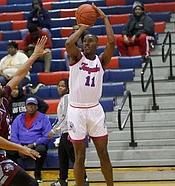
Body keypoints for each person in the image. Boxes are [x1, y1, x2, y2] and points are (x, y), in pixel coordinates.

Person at [0, 36, 47, 186]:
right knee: (31, 184)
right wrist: (22, 148)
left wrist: (34, 55)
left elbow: (19, 74)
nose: (1, 83)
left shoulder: (3, 98)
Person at [65, 4, 115, 186]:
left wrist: (104, 18)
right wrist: (84, 26)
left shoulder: (102, 61)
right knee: (80, 156)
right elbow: (69, 43)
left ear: (97, 44)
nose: (86, 43)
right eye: (84, 41)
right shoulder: (76, 58)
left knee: (103, 153)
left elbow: (112, 42)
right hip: (76, 109)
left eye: (90, 41)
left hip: (94, 109)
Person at [48, 78, 88, 186]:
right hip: (64, 132)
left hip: (69, 132)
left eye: (63, 86)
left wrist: (54, 130)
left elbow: (65, 116)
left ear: (68, 88)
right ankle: (62, 180)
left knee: (74, 157)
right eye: (59, 86)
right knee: (62, 156)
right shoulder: (64, 99)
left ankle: (83, 179)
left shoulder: (67, 98)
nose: (60, 88)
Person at [7, 97, 52, 183]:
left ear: (37, 107)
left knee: (41, 150)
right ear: (26, 107)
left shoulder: (43, 118)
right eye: (29, 105)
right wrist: (20, 147)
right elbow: (13, 134)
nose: (31, 107)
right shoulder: (19, 118)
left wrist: (34, 144)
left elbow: (47, 136)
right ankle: (21, 174)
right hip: (20, 144)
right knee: (7, 151)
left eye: (33, 105)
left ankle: (37, 174)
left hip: (35, 145)